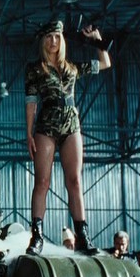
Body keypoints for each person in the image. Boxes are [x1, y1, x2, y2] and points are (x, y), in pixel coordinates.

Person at [23, 20, 111, 256]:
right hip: (46, 126)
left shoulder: (72, 68)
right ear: (43, 41)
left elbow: (105, 63)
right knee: (42, 182)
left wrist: (97, 40)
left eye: (57, 36)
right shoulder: (35, 69)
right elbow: (30, 102)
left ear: (62, 40)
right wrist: (28, 133)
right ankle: (37, 237)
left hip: (71, 125)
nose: (53, 41)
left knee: (75, 181)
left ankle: (82, 237)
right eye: (49, 36)